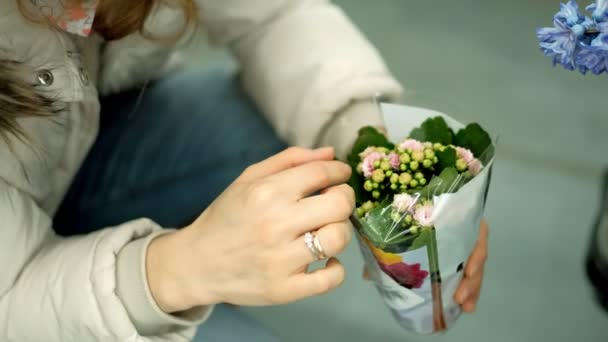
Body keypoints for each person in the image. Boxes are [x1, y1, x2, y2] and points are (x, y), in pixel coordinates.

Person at [0, 0, 489, 341]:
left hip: (84, 146)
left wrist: (373, 155)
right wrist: (175, 270)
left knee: (270, 118)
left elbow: (273, 14)